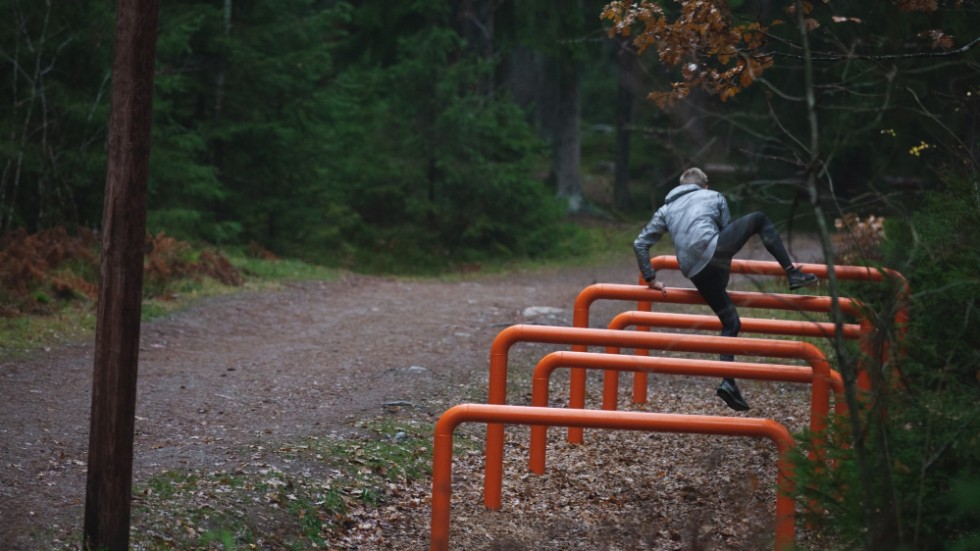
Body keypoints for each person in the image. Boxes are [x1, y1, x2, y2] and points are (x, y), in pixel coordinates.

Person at [633, 167, 818, 411]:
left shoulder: (665, 209)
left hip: (694, 272)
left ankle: (728, 381)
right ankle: (792, 273)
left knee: (731, 323)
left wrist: (651, 279)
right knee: (760, 218)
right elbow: (725, 229)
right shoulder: (713, 196)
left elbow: (640, 243)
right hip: (715, 255)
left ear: (680, 186)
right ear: (705, 184)